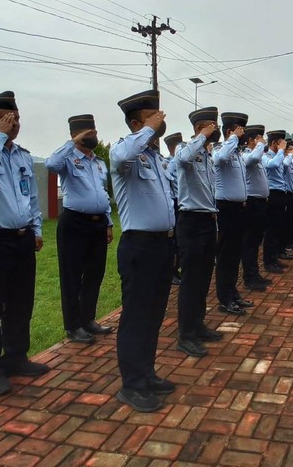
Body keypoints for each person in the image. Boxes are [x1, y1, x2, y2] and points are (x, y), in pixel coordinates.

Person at [110, 89, 176, 412]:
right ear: (137, 122)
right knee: (136, 316)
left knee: (154, 315)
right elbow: (122, 157)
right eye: (153, 115)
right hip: (138, 246)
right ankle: (131, 385)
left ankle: (147, 373)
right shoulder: (125, 153)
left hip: (163, 245)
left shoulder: (155, 158)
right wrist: (148, 129)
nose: (161, 120)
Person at [45, 114, 113, 346]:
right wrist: (72, 143)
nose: (93, 135)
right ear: (77, 135)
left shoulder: (98, 162)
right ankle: (73, 326)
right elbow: (50, 165)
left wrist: (108, 222)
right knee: (72, 277)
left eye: (94, 131)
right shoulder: (67, 158)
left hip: (98, 223)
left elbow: (102, 193)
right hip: (74, 223)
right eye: (88, 133)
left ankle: (88, 319)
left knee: (95, 274)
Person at [0, 91, 48, 396]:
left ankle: (16, 357)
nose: (13, 123)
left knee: (20, 302)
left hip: (22, 238)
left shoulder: (22, 156)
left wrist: (37, 228)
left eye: (16, 118)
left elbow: (31, 197)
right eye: (6, 118)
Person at [173, 107, 224, 358]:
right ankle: (185, 335)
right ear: (198, 128)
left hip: (207, 221)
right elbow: (181, 159)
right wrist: (201, 136)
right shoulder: (186, 150)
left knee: (204, 279)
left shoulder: (208, 156)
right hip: (190, 222)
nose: (215, 130)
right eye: (211, 126)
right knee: (190, 281)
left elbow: (211, 194)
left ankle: (198, 325)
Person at [213, 112, 254, 316]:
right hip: (225, 209)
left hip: (238, 209)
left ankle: (233, 292)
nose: (243, 134)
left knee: (235, 254)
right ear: (229, 131)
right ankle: (225, 298)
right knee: (226, 256)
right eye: (240, 130)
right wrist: (231, 139)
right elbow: (220, 159)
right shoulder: (221, 150)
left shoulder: (237, 153)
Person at [241, 125, 271, 290]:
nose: (263, 141)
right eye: (259, 138)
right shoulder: (246, 155)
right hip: (252, 203)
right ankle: (249, 278)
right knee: (250, 242)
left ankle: (255, 274)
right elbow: (252, 160)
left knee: (256, 240)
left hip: (260, 202)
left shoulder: (257, 156)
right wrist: (260, 145)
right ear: (251, 140)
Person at [262, 130, 289, 274]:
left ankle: (275, 257)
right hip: (272, 195)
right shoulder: (265, 156)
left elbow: (284, 168)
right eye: (281, 143)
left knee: (278, 227)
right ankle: (268, 262)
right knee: (270, 230)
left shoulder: (279, 156)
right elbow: (272, 165)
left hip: (280, 193)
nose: (283, 147)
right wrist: (281, 152)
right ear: (274, 143)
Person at [164, 132, 183, 285]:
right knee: (174, 240)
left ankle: (179, 268)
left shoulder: (182, 160)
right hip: (174, 202)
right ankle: (172, 272)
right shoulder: (167, 163)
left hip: (183, 203)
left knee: (181, 239)